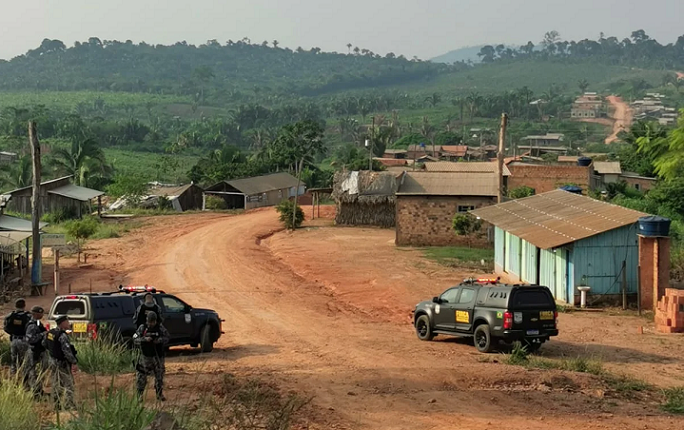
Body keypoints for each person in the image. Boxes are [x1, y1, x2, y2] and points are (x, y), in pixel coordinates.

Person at [134, 311, 169, 401]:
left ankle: (159, 394)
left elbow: (167, 338)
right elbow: (134, 338)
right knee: (141, 376)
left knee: (159, 376)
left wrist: (159, 340)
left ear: (155, 321)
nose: (151, 324)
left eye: (153, 322)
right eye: (149, 322)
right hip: (145, 356)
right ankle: (139, 395)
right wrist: (144, 339)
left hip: (158, 356)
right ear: (147, 321)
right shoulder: (142, 328)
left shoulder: (160, 328)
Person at [44, 315, 78, 409]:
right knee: (69, 384)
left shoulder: (50, 333)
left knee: (56, 382)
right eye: (67, 322)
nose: (68, 323)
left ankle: (56, 404)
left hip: (52, 361)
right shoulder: (62, 335)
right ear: (62, 323)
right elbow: (67, 351)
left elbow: (45, 344)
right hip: (61, 363)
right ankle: (69, 405)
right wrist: (74, 362)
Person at [3, 298, 31, 377]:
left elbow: (5, 328)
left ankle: (14, 377)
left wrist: (12, 333)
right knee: (25, 359)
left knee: (14, 359)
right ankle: (24, 377)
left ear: (15, 306)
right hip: (24, 340)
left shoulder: (10, 316)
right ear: (24, 305)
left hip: (14, 340)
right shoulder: (28, 316)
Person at [25, 306, 48, 397]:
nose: (42, 315)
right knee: (33, 371)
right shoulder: (31, 325)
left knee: (40, 370)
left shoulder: (37, 323)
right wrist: (42, 334)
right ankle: (35, 391)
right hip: (34, 351)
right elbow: (30, 339)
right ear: (35, 314)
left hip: (39, 350)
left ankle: (38, 389)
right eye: (40, 313)